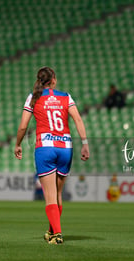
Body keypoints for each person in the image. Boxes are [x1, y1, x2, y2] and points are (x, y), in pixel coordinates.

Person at [15, 67, 89, 244]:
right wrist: (85, 144)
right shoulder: (65, 96)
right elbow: (78, 120)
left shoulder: (34, 98)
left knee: (49, 195)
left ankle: (57, 234)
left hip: (45, 147)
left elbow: (23, 126)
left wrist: (18, 144)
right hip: (65, 147)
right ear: (54, 80)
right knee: (58, 194)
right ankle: (51, 230)